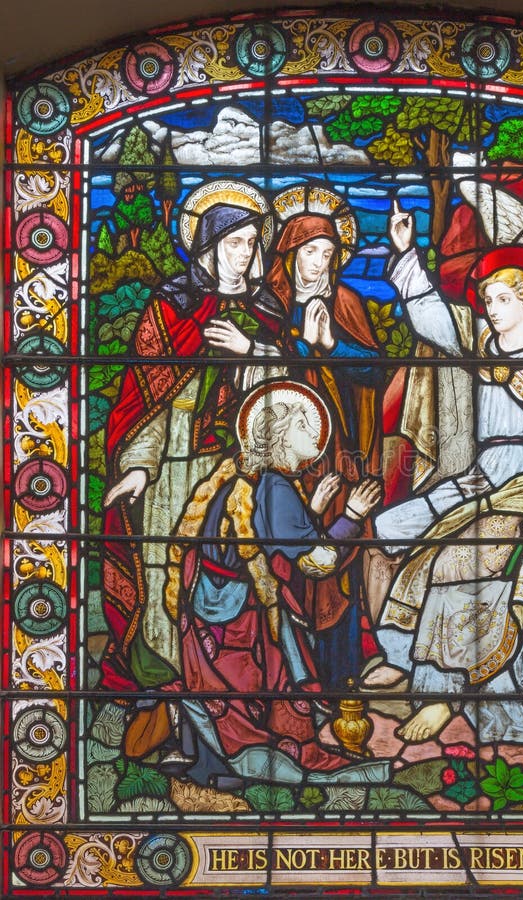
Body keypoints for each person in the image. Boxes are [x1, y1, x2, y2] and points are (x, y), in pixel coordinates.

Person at [367, 202, 523, 751]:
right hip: (483, 485)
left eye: (503, 298)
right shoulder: (483, 347)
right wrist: (406, 253)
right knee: (410, 541)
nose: (491, 308)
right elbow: (432, 316)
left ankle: (442, 692)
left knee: (474, 559)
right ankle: (408, 663)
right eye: (487, 299)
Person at [101, 182, 285, 691]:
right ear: (207, 244)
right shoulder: (171, 308)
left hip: (243, 464)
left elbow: (289, 393)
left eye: (251, 243)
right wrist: (139, 466)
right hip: (176, 464)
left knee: (239, 572)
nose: (244, 254)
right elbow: (147, 399)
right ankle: (173, 688)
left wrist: (252, 351)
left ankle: (237, 687)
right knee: (166, 569)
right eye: (234, 242)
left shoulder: (266, 310)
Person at [165, 380, 387, 786]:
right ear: (283, 438)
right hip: (243, 622)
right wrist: (351, 515)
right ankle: (244, 769)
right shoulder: (275, 486)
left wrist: (313, 508)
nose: (317, 437)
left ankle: (210, 764)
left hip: (211, 613)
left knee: (228, 702)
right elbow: (317, 562)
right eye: (306, 426)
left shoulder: (245, 477)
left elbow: (270, 538)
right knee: (259, 706)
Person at [263, 211, 383, 688]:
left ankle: (340, 675)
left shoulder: (347, 302)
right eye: (310, 251)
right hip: (285, 455)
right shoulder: (270, 305)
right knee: (291, 558)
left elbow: (376, 370)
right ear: (289, 256)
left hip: (342, 455)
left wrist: (330, 344)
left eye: (329, 254)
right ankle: (293, 676)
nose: (319, 262)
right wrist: (299, 344)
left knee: (342, 560)